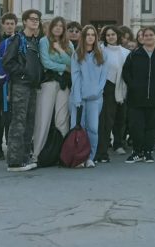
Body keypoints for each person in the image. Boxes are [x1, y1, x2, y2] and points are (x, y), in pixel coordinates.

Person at [123, 26, 155, 163]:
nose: (148, 37)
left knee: (152, 126)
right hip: (136, 97)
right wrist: (132, 85)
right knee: (136, 126)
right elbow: (126, 71)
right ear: (142, 38)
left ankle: (147, 152)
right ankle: (137, 152)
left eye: (151, 35)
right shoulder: (134, 54)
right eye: (146, 35)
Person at [2, 9, 43, 171]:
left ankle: (24, 157)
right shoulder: (17, 40)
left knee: (29, 122)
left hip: (32, 86)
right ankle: (14, 161)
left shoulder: (35, 41)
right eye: (32, 19)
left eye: (37, 19)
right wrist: (23, 72)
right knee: (18, 122)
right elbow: (7, 62)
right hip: (20, 85)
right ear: (24, 21)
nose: (35, 21)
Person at [32, 16, 73, 163]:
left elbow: (72, 62)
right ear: (51, 27)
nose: (58, 28)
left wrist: (60, 50)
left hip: (63, 84)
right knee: (43, 118)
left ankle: (62, 155)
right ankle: (36, 154)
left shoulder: (68, 43)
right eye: (56, 25)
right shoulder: (44, 41)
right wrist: (63, 67)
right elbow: (46, 62)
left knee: (62, 120)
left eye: (61, 26)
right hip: (48, 82)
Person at [70, 25, 107, 167]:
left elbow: (103, 76)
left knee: (93, 128)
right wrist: (77, 98)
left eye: (93, 35)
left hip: (95, 98)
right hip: (79, 98)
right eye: (88, 34)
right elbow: (75, 77)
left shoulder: (102, 54)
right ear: (83, 37)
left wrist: (97, 91)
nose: (90, 37)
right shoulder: (77, 54)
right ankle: (79, 157)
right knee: (78, 127)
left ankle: (90, 157)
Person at [96, 26, 129, 162]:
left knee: (121, 117)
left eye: (113, 34)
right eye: (108, 35)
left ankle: (118, 144)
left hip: (122, 87)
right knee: (106, 120)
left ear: (118, 36)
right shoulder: (100, 50)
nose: (110, 37)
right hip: (107, 87)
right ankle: (102, 149)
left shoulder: (126, 52)